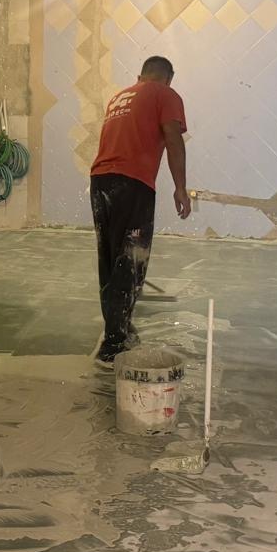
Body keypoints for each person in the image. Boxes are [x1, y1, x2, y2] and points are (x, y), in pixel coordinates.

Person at [89, 55, 190, 365]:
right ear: (168, 79)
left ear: (139, 76)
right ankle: (114, 344)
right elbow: (173, 139)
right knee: (131, 259)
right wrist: (180, 187)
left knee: (110, 258)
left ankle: (117, 328)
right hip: (132, 182)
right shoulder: (165, 94)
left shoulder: (119, 97)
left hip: (100, 180)